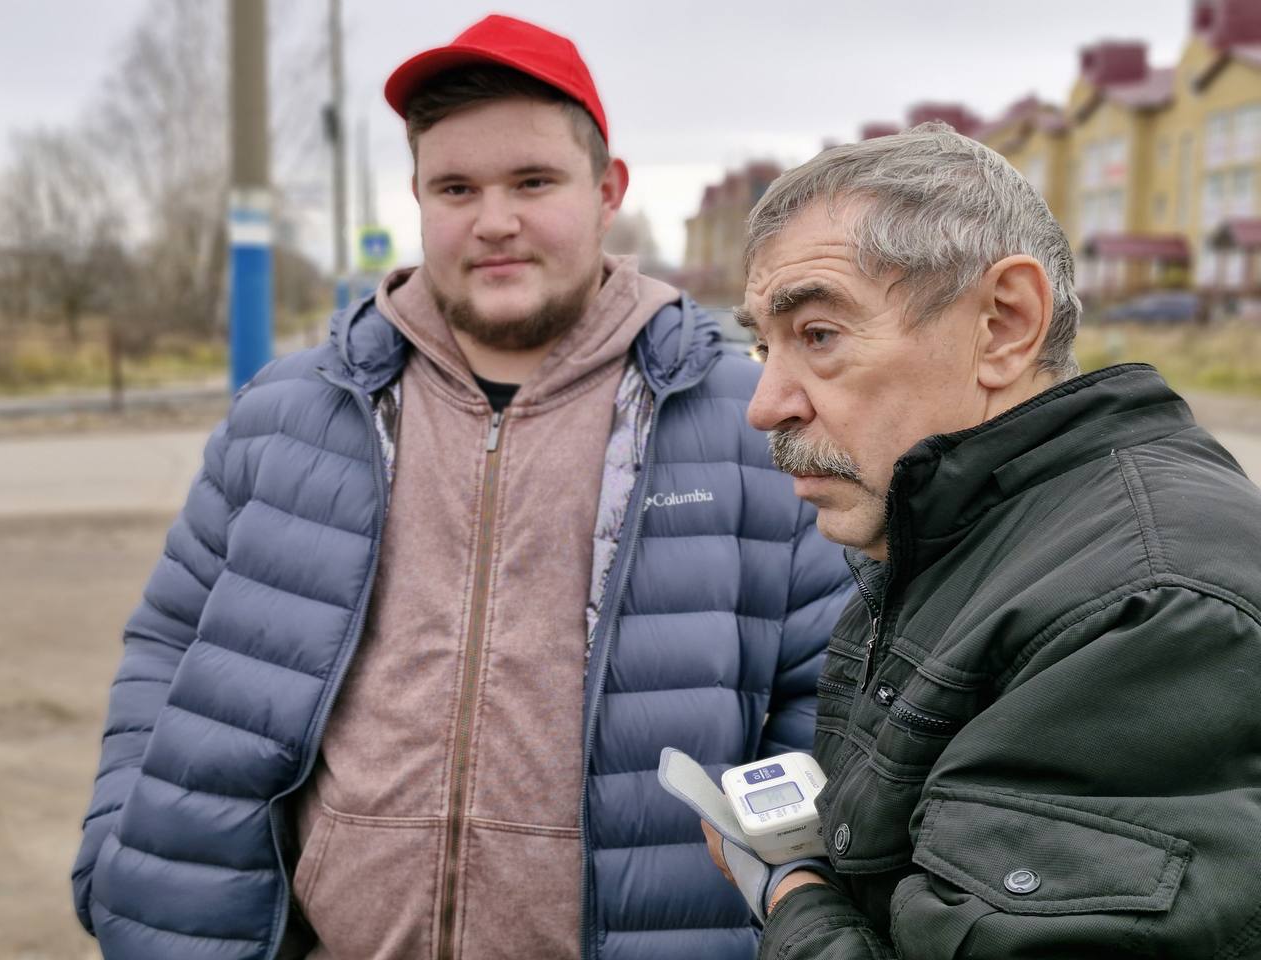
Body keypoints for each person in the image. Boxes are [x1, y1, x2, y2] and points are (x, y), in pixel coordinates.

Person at [70, 14, 854, 960]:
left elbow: (834, 695)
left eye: (532, 181)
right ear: (418, 196)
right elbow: (169, 647)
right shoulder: (287, 413)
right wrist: (119, 845)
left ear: (607, 191)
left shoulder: (748, 419)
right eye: (456, 187)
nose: (494, 221)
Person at [701, 124, 1261, 957]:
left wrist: (791, 898)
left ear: (1003, 325)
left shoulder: (1151, 609)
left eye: (818, 335)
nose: (766, 402)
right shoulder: (959, 535)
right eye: (762, 344)